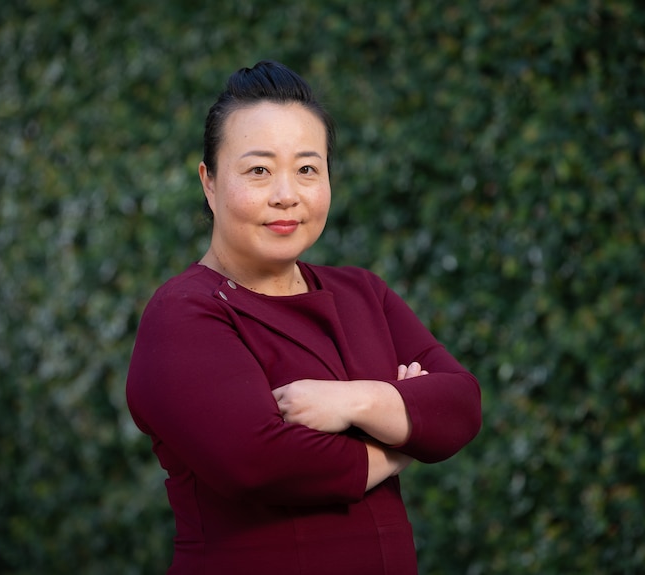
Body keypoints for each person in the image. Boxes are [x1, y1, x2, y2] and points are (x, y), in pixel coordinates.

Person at [126, 60, 482, 574]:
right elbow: (264, 465)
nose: (286, 194)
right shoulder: (184, 313)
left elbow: (461, 404)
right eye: (258, 170)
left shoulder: (362, 293)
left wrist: (356, 400)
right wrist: (403, 439)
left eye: (307, 169)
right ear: (208, 182)